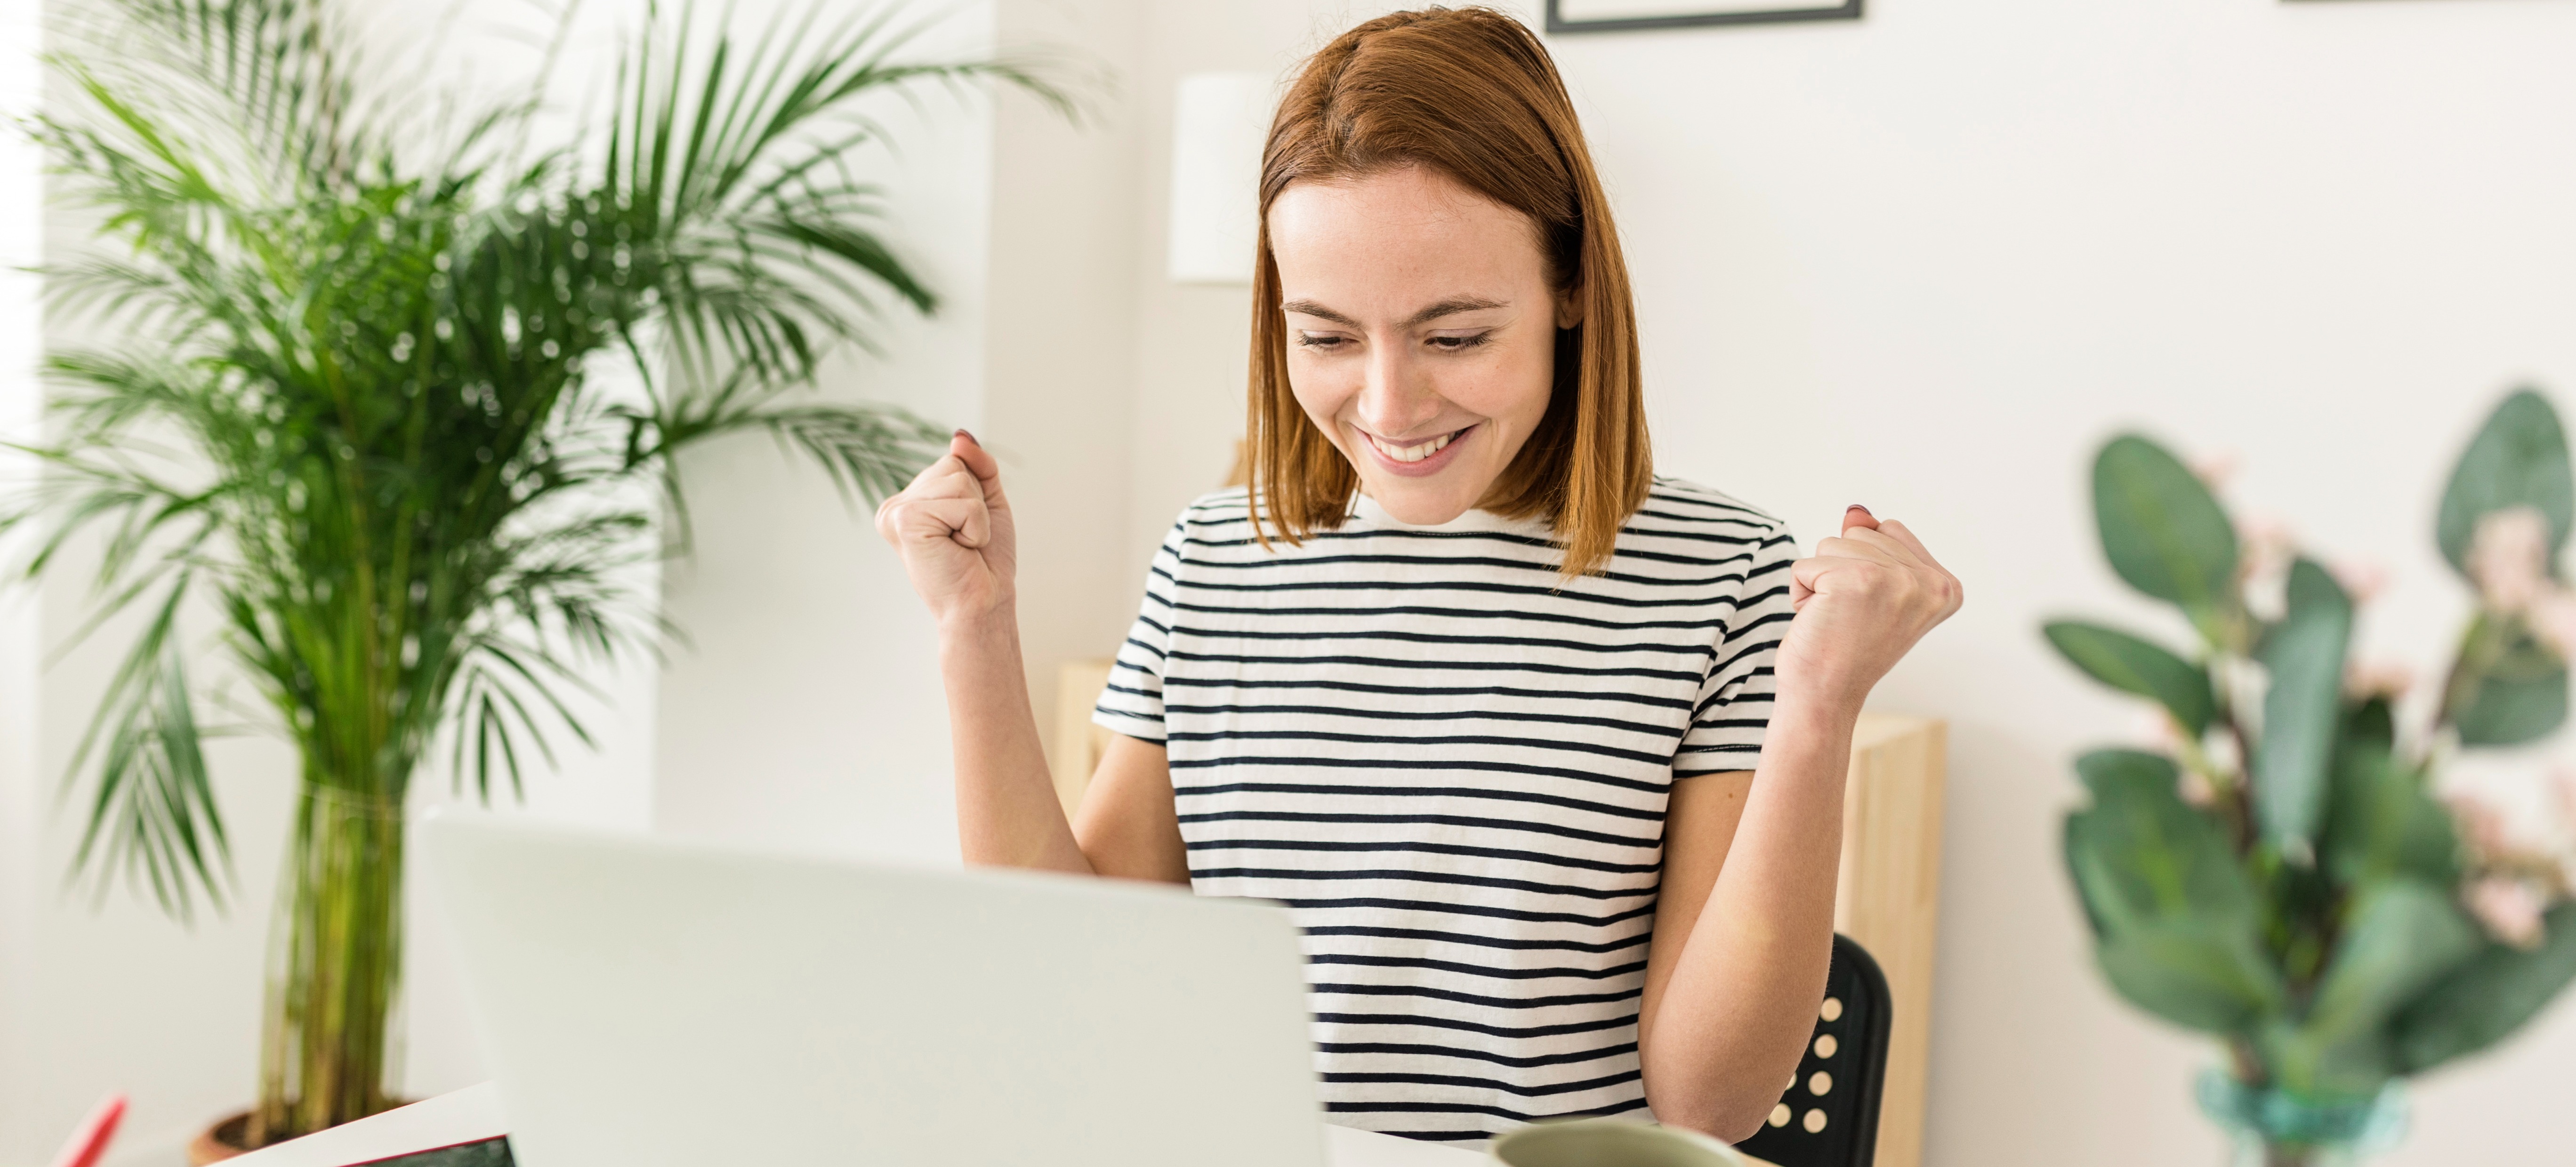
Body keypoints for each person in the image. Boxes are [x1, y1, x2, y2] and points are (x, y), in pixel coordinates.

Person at [875, 5, 1960, 1146]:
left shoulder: (1724, 577)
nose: (1389, 407)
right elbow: (1080, 984)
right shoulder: (1210, 562)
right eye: (1331, 337)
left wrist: (1822, 704)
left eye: (1454, 336)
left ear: (1571, 288)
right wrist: (975, 631)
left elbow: (1712, 1102)